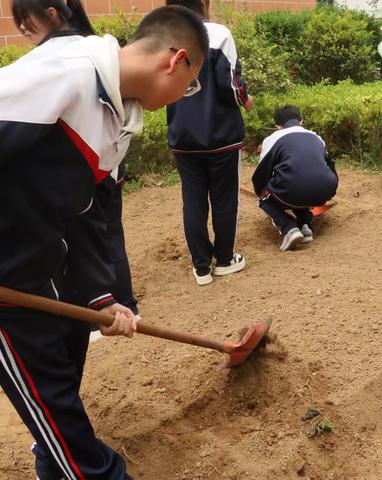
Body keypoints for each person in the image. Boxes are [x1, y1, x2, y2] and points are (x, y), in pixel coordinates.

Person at [0, 6, 208, 479]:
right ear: (176, 62)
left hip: (52, 264)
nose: (184, 96)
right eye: (190, 85)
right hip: (9, 274)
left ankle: (53, 465)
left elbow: (92, 215)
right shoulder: (69, 72)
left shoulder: (120, 118)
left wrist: (103, 296)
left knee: (64, 376)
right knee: (55, 403)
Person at [13, 0, 140, 320]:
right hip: (105, 160)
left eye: (27, 22)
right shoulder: (95, 51)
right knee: (106, 230)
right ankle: (117, 303)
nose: (24, 31)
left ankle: (104, 304)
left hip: (87, 164)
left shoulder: (61, 62)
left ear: (52, 14)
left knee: (93, 229)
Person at [165, 0, 253, 286]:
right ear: (203, 3)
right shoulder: (218, 34)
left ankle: (201, 267)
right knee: (224, 197)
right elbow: (230, 84)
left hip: (183, 135)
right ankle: (225, 260)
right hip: (220, 134)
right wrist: (245, 98)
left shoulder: (164, 37)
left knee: (193, 199)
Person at [252, 105, 338, 252]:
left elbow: (261, 174)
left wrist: (262, 192)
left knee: (268, 197)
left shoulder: (272, 139)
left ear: (277, 125)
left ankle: (289, 228)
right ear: (301, 120)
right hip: (325, 189)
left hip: (293, 189)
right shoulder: (316, 137)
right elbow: (329, 165)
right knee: (300, 184)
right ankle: (305, 224)